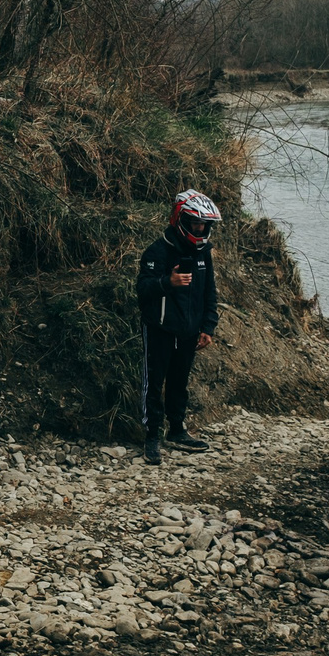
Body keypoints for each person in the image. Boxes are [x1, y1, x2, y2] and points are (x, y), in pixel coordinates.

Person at [135, 189, 222, 465]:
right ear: (181, 219)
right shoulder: (157, 251)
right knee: (154, 382)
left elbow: (210, 292)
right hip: (159, 328)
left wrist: (208, 326)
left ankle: (177, 430)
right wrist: (166, 282)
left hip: (189, 330)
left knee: (179, 382)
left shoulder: (203, 253)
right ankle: (151, 436)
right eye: (196, 223)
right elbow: (142, 289)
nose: (200, 228)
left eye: (203, 225)